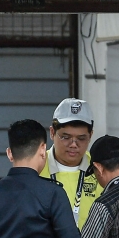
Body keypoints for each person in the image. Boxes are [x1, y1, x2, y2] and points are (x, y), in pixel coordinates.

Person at [42, 98, 104, 229]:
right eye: (66, 137)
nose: (74, 144)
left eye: (81, 138)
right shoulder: (37, 167)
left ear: (91, 135)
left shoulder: (100, 168)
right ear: (52, 133)